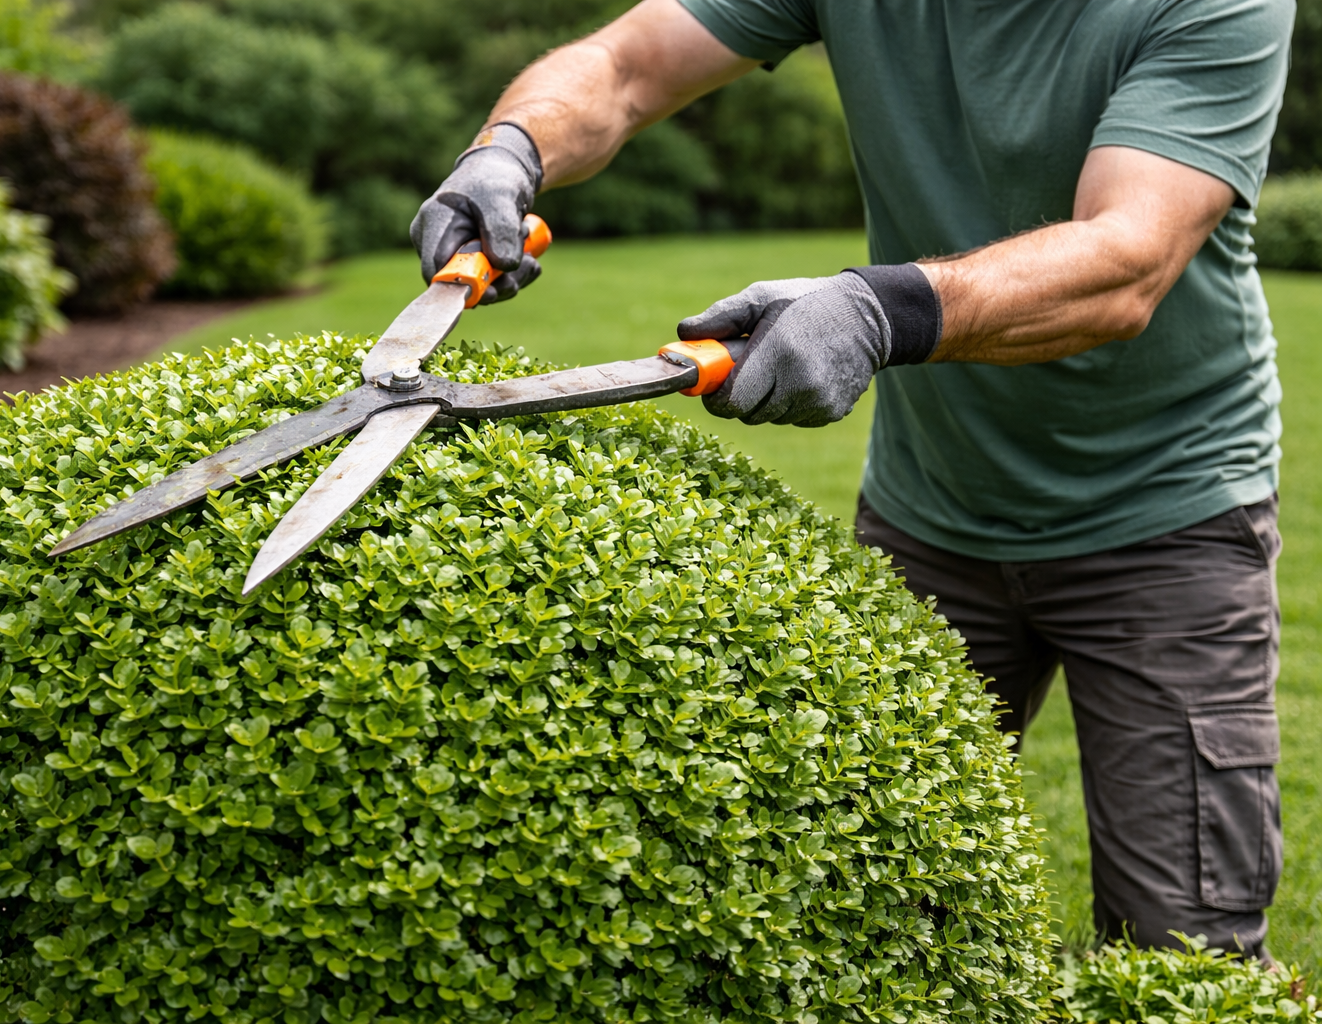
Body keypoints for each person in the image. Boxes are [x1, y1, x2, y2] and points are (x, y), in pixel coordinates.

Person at [410, 0, 1294, 959]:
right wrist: (507, 148)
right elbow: (625, 62)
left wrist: (882, 309)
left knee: (1182, 949)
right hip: (930, 510)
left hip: (1166, 517)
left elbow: (1128, 260)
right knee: (861, 913)